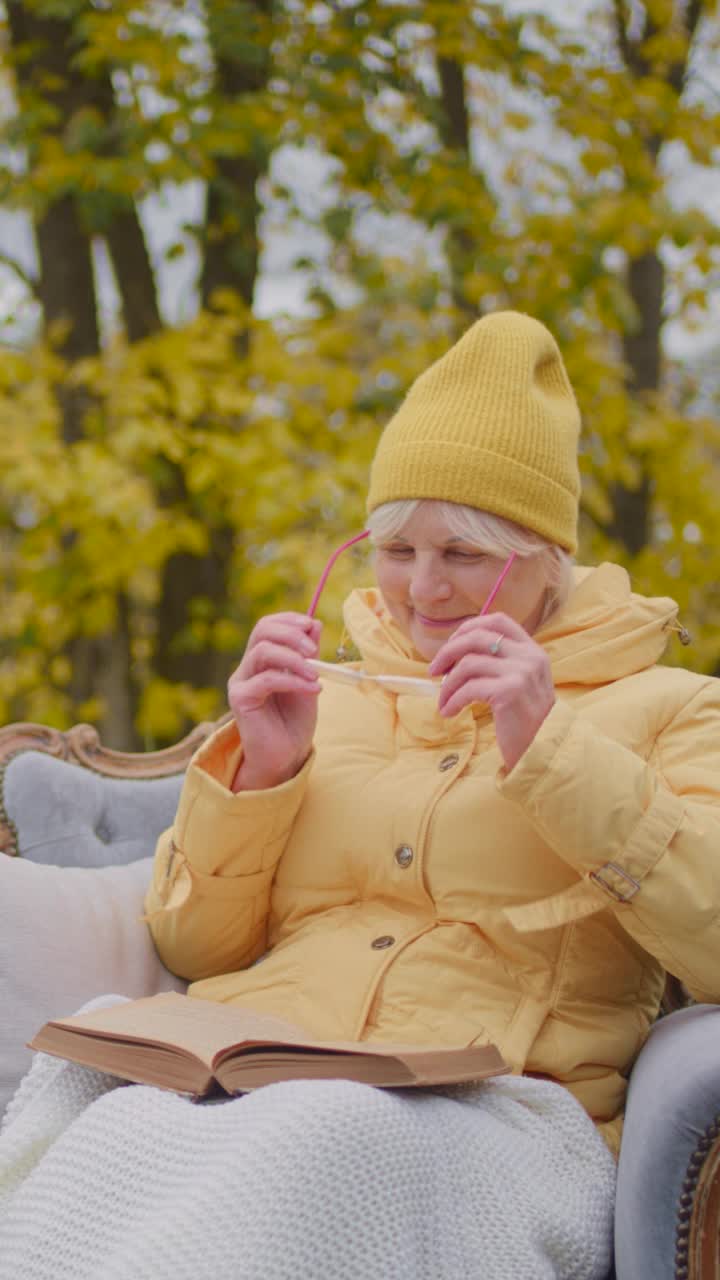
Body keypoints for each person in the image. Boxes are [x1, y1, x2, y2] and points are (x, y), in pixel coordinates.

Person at [2, 311, 719, 1280]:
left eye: (464, 554)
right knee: (96, 1105)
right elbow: (190, 947)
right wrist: (259, 775)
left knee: (327, 1133)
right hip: (252, 1068)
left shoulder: (674, 708)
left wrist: (552, 750)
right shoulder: (325, 697)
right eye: (395, 548)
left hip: (497, 1108)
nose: (422, 589)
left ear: (549, 553)